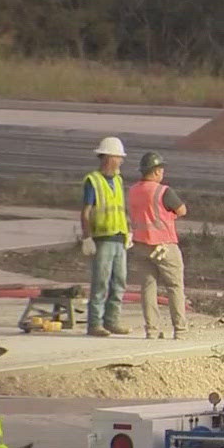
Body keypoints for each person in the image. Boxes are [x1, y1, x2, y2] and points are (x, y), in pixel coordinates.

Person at [127, 151, 189, 340]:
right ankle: (180, 330)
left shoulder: (132, 191)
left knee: (148, 287)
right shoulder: (163, 191)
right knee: (175, 287)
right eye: (161, 169)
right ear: (155, 171)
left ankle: (152, 330)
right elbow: (182, 210)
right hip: (164, 246)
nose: (162, 172)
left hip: (140, 245)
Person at [80, 137, 131, 337]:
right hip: (103, 238)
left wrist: (128, 230)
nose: (121, 161)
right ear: (108, 158)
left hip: (119, 237)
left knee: (119, 282)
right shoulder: (93, 181)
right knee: (101, 282)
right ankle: (95, 323)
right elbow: (86, 212)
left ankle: (112, 321)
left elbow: (121, 208)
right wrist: (87, 237)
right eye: (118, 157)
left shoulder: (118, 180)